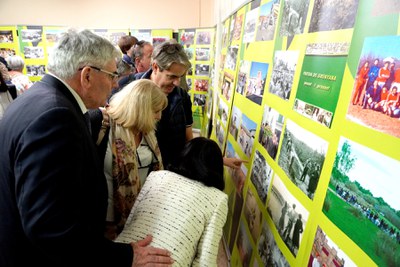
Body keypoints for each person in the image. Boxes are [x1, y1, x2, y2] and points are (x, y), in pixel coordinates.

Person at [0, 28, 173, 267]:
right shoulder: (57, 116)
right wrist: (125, 256)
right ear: (87, 76)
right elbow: (50, 226)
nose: (115, 84)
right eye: (112, 76)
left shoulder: (37, 99)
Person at [133, 39, 245, 169]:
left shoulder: (182, 97)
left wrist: (219, 159)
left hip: (172, 172)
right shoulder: (129, 90)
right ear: (155, 67)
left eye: (180, 77)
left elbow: (189, 140)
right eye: (171, 76)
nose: (176, 83)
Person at [116, 137, 228, 266]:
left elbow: (132, 218)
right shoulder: (218, 198)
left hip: (123, 253)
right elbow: (206, 260)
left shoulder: (156, 176)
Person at [91, 79, 168, 240]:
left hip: (140, 214)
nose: (159, 116)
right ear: (140, 109)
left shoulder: (148, 131)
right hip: (103, 218)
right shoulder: (100, 123)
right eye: (155, 110)